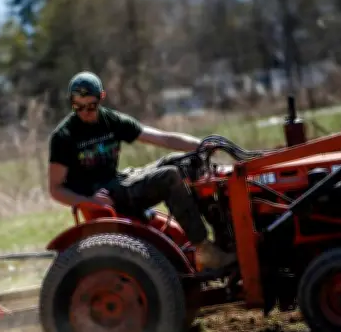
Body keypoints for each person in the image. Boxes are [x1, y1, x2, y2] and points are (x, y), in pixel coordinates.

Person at [47, 71, 237, 271]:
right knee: (169, 177)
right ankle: (203, 250)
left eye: (91, 106)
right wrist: (90, 202)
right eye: (78, 107)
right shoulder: (63, 137)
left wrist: (202, 146)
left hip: (120, 181)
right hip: (105, 196)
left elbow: (162, 138)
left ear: (101, 98)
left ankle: (226, 238)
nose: (85, 112)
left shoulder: (110, 120)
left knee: (187, 163)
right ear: (71, 103)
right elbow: (56, 189)